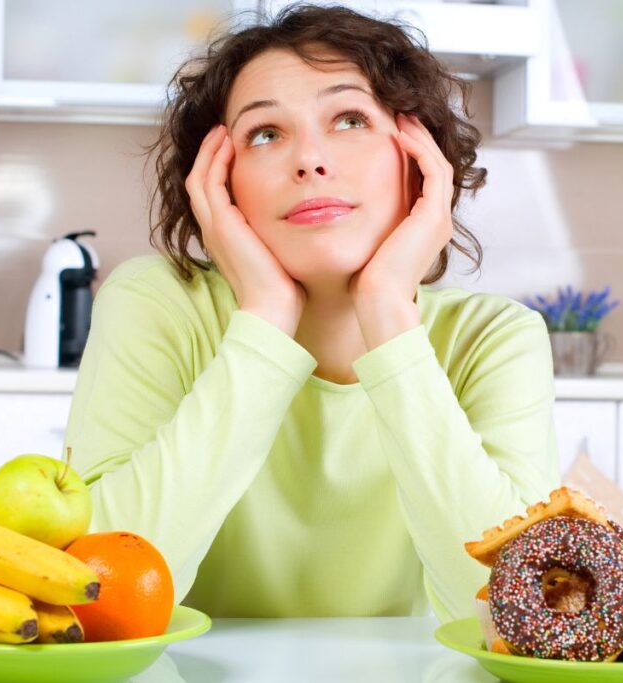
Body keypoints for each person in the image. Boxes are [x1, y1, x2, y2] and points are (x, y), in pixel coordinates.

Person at [62, 4, 558, 622]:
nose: (310, 160)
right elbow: (97, 593)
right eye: (265, 134)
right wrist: (266, 320)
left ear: (419, 161)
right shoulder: (156, 303)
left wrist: (388, 318)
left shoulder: (495, 338)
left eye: (350, 119)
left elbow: (518, 614)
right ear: (220, 182)